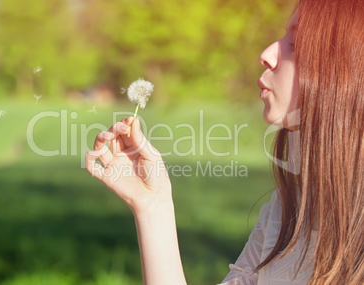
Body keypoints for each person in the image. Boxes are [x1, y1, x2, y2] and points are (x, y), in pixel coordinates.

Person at [85, 0, 363, 284]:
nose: (266, 54)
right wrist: (152, 205)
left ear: (348, 68)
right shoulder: (288, 209)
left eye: (297, 42)